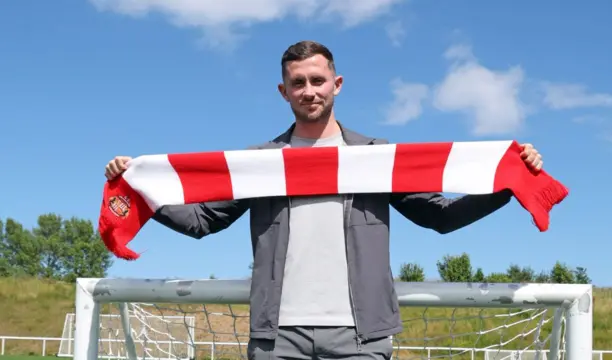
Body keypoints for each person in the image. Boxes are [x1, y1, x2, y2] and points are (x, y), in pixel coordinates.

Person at [104, 40, 543, 360]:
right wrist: (141, 189)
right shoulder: (259, 163)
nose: (309, 90)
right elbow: (203, 221)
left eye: (318, 80)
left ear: (337, 84)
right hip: (277, 338)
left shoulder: (375, 157)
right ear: (283, 91)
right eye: (298, 83)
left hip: (363, 337)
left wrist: (509, 184)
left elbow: (439, 217)